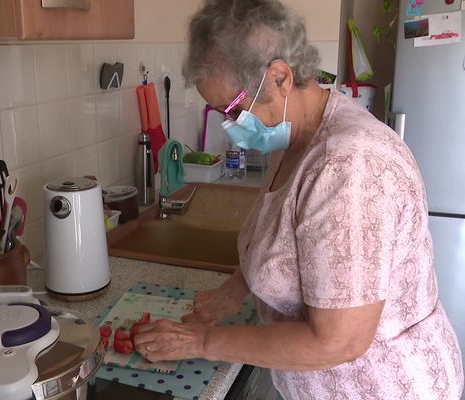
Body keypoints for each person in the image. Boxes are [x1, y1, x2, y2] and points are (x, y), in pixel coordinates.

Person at [133, 0, 464, 398]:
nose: (228, 123)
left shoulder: (347, 165)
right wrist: (236, 290)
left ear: (279, 78)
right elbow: (283, 242)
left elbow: (337, 341)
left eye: (232, 108)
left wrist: (201, 341)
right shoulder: (294, 139)